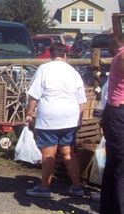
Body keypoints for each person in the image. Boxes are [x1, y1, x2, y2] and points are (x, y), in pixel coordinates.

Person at [25, 42, 87, 198]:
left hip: (49, 115)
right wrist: (77, 119)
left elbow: (34, 95)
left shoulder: (44, 69)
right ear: (65, 55)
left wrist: (29, 113)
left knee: (48, 153)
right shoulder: (73, 72)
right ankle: (76, 186)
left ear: (50, 55)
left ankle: (44, 187)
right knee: (68, 151)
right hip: (70, 116)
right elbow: (82, 101)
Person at [100, 35, 124, 214]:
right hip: (119, 113)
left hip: (115, 113)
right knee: (121, 166)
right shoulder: (122, 56)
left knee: (115, 163)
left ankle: (107, 213)